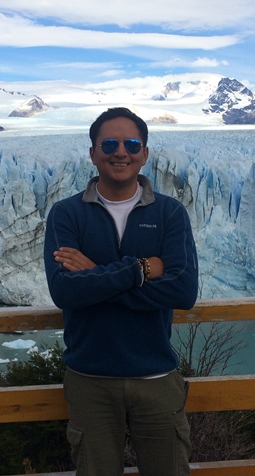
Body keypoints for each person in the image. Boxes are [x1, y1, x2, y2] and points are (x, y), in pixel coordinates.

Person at [44, 107, 199, 475]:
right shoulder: (67, 214)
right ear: (93, 153)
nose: (120, 153)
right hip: (90, 381)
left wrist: (95, 276)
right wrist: (141, 270)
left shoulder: (169, 213)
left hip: (157, 377)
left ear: (144, 153)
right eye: (109, 144)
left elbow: (182, 291)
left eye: (131, 144)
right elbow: (65, 291)